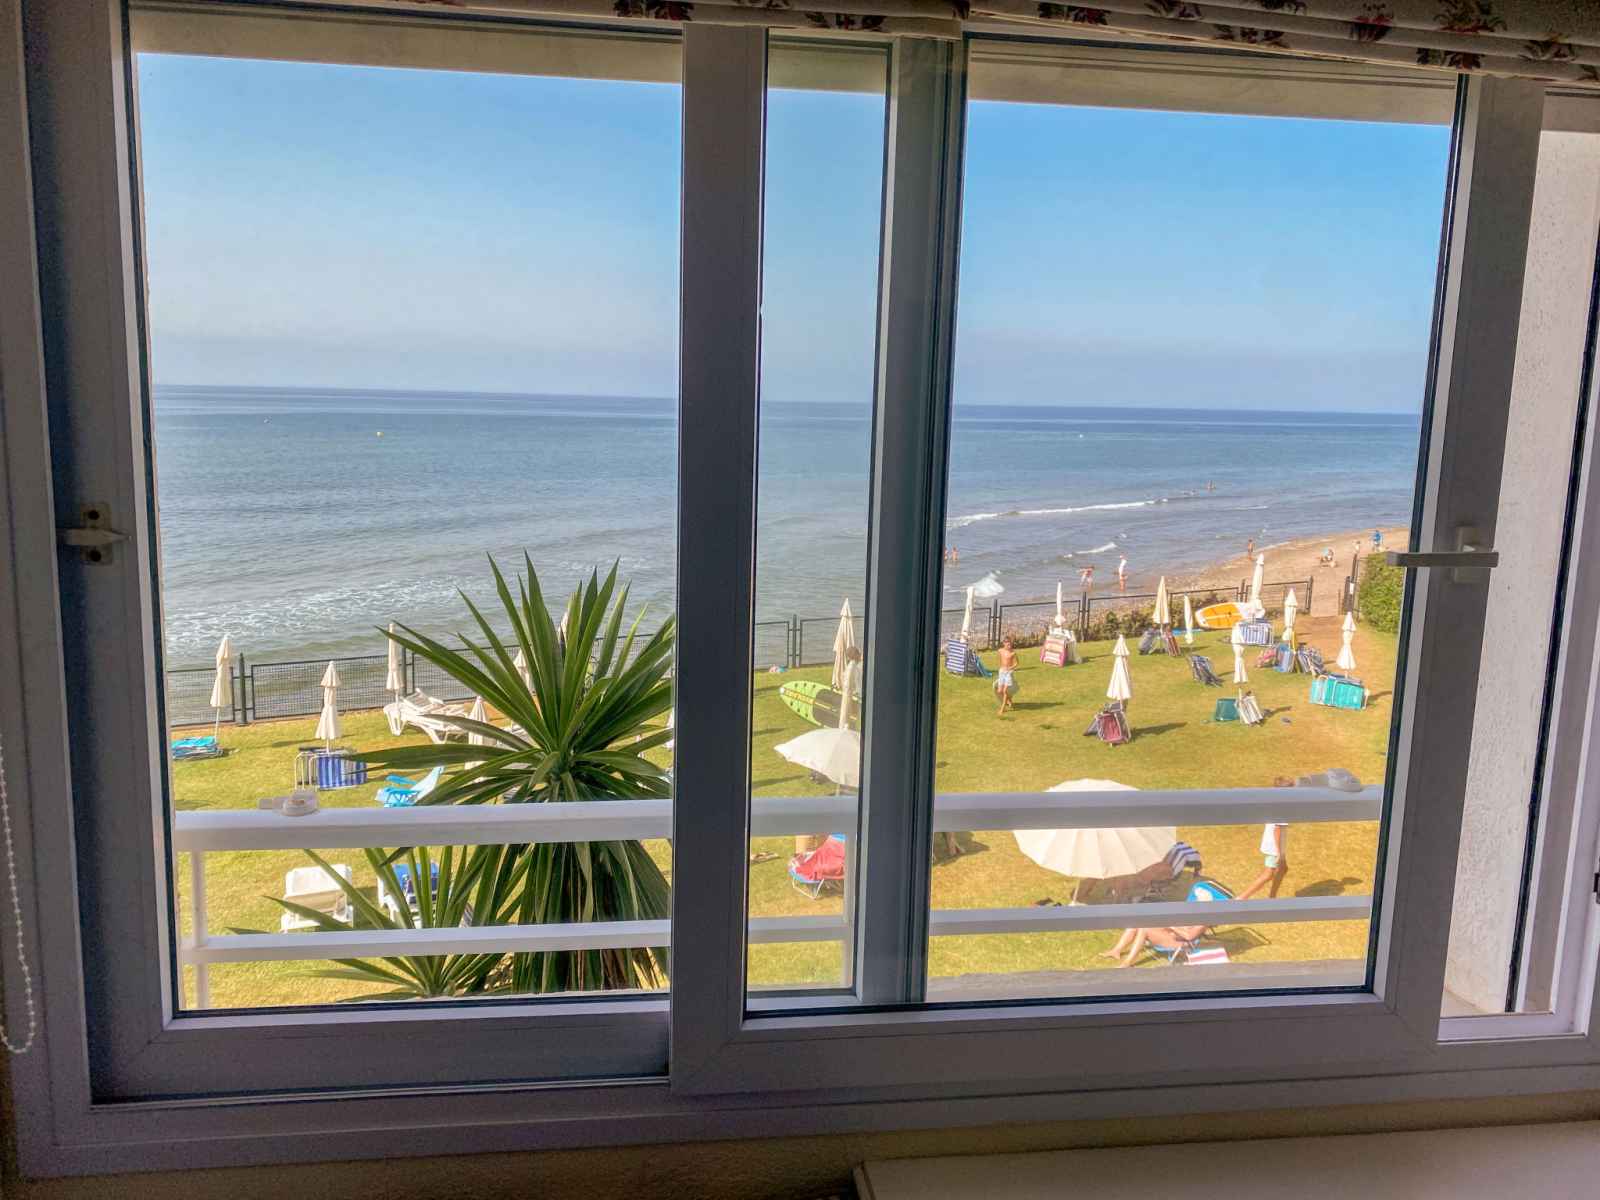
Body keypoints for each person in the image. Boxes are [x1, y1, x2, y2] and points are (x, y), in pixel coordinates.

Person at [1100, 922, 1211, 967]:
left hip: (1181, 943)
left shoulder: (1203, 922)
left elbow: (1189, 936)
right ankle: (1116, 950)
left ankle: (1128, 962)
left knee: (1144, 930)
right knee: (1136, 924)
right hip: (1170, 934)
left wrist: (1173, 927)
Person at [1237, 819, 1290, 900]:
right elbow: (1277, 829)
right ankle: (1241, 898)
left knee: (1282, 869)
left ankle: (1272, 897)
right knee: (1268, 874)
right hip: (1274, 847)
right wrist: (1278, 852)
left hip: (1275, 845)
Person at [994, 636, 1018, 715]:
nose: (1009, 645)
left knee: (1005, 691)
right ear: (1004, 643)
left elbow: (1017, 663)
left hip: (1008, 673)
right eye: (1007, 644)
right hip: (1002, 672)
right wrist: (1000, 669)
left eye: (1010, 643)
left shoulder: (1013, 653)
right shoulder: (1000, 651)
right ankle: (1009, 699)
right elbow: (1000, 660)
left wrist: (1010, 668)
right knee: (999, 691)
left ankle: (1002, 709)